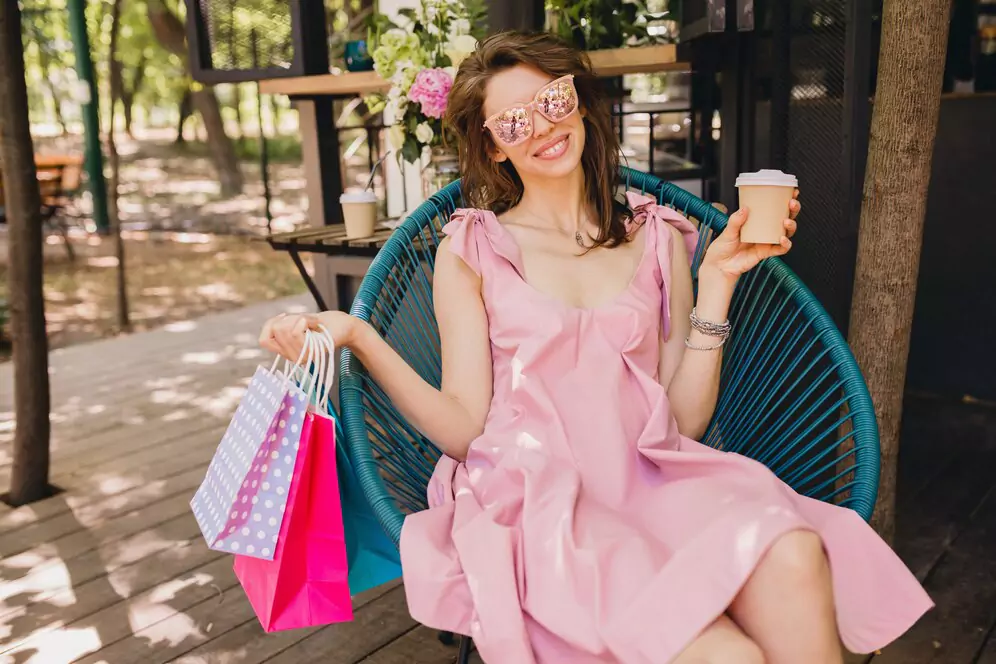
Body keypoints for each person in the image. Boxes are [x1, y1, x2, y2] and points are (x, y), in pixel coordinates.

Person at [260, 31, 931, 664]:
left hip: (653, 476)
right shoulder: (472, 250)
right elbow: (466, 427)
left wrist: (719, 282)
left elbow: (685, 421)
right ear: (493, 147)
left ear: (578, 98)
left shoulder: (657, 235)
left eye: (552, 101)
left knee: (794, 551)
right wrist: (359, 336)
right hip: (541, 497)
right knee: (731, 656)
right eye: (514, 122)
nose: (545, 128)